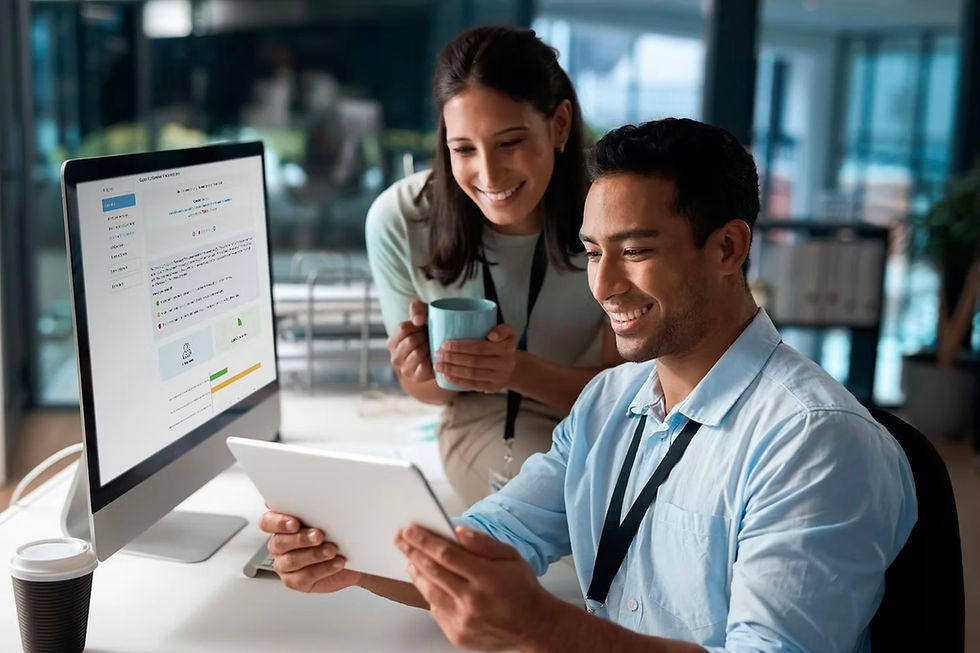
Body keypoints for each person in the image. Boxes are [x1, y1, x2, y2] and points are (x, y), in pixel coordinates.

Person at [263, 118, 918, 652]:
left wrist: (546, 626)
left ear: (726, 248)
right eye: (594, 252)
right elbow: (486, 542)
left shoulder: (817, 442)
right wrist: (351, 558)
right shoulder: (611, 400)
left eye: (634, 251)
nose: (603, 287)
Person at [365, 26, 619, 506]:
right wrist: (422, 366)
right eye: (463, 149)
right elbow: (434, 395)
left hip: (600, 417)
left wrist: (515, 370)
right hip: (480, 422)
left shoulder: (613, 213)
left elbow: (632, 402)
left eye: (509, 143)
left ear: (560, 124)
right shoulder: (400, 218)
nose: (489, 174)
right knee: (570, 514)